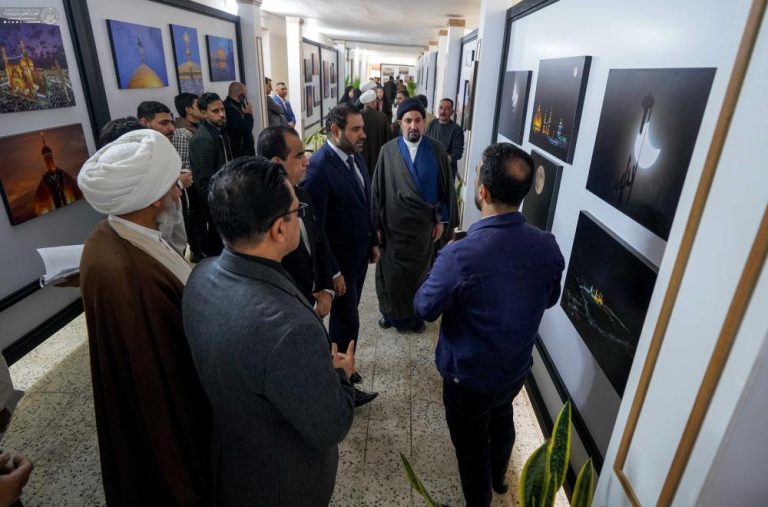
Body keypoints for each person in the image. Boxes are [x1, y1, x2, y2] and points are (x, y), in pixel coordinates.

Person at [183, 157, 356, 506]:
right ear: (279, 229)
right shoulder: (289, 330)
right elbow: (329, 426)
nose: (300, 216)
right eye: (297, 210)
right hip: (283, 483)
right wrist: (342, 376)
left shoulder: (200, 276)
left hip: (233, 461)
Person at [414, 143, 565, 507]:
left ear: (482, 191)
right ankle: (500, 478)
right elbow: (549, 299)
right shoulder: (547, 246)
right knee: (502, 418)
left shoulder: (461, 253)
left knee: (470, 451)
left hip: (468, 378)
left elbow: (424, 308)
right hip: (514, 369)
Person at [77, 129, 211, 506]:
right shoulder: (131, 275)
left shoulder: (109, 231)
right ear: (153, 198)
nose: (176, 192)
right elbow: (164, 383)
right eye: (171, 185)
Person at [303, 103, 379, 407]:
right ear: (335, 131)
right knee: (346, 321)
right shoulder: (320, 169)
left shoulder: (355, 159)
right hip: (340, 265)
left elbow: (364, 203)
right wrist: (332, 272)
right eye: (356, 129)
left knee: (349, 318)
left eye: (362, 127)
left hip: (359, 256)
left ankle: (344, 367)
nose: (363, 134)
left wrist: (373, 240)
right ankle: (341, 383)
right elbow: (317, 227)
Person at [373, 98, 455, 333]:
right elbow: (377, 191)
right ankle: (388, 312)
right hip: (393, 228)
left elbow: (446, 190)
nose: (413, 126)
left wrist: (442, 219)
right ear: (400, 123)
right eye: (408, 121)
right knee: (391, 274)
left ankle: (415, 315)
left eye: (418, 120)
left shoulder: (437, 150)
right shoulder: (387, 152)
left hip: (423, 229)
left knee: (419, 275)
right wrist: (376, 224)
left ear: (425, 122)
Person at [256, 126, 334, 318]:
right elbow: (275, 270)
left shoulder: (302, 193)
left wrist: (327, 289)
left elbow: (319, 239)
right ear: (277, 163)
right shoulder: (260, 213)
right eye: (299, 156)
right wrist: (312, 301)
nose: (307, 162)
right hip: (289, 310)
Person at [138, 101, 189, 256]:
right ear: (144, 123)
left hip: (177, 243)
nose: (172, 128)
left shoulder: (165, 149)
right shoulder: (142, 159)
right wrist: (179, 183)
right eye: (164, 123)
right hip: (162, 246)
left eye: (171, 122)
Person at [189, 92, 232, 259]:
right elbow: (204, 181)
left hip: (224, 196)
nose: (221, 114)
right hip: (214, 204)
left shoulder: (220, 132)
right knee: (216, 247)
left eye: (222, 109)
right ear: (203, 113)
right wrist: (218, 205)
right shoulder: (203, 139)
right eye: (215, 111)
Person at [172, 93, 203, 260]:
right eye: (199, 105)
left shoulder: (197, 127)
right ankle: (196, 251)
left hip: (196, 181)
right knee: (194, 218)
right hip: (190, 185)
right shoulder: (183, 133)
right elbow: (183, 164)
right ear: (188, 109)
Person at [426, 98, 465, 179]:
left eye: (447, 109)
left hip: (446, 173)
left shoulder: (456, 130)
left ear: (452, 112)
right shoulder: (433, 123)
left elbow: (457, 154)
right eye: (441, 107)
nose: (443, 111)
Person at [359, 89, 390, 178]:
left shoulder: (357, 117)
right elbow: (387, 139)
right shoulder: (382, 117)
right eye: (375, 101)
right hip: (378, 157)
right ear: (372, 103)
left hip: (361, 157)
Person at [223, 82, 255, 157]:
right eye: (245, 94)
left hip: (244, 152)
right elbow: (246, 129)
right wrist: (249, 114)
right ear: (242, 95)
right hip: (240, 154)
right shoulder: (229, 109)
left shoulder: (236, 105)